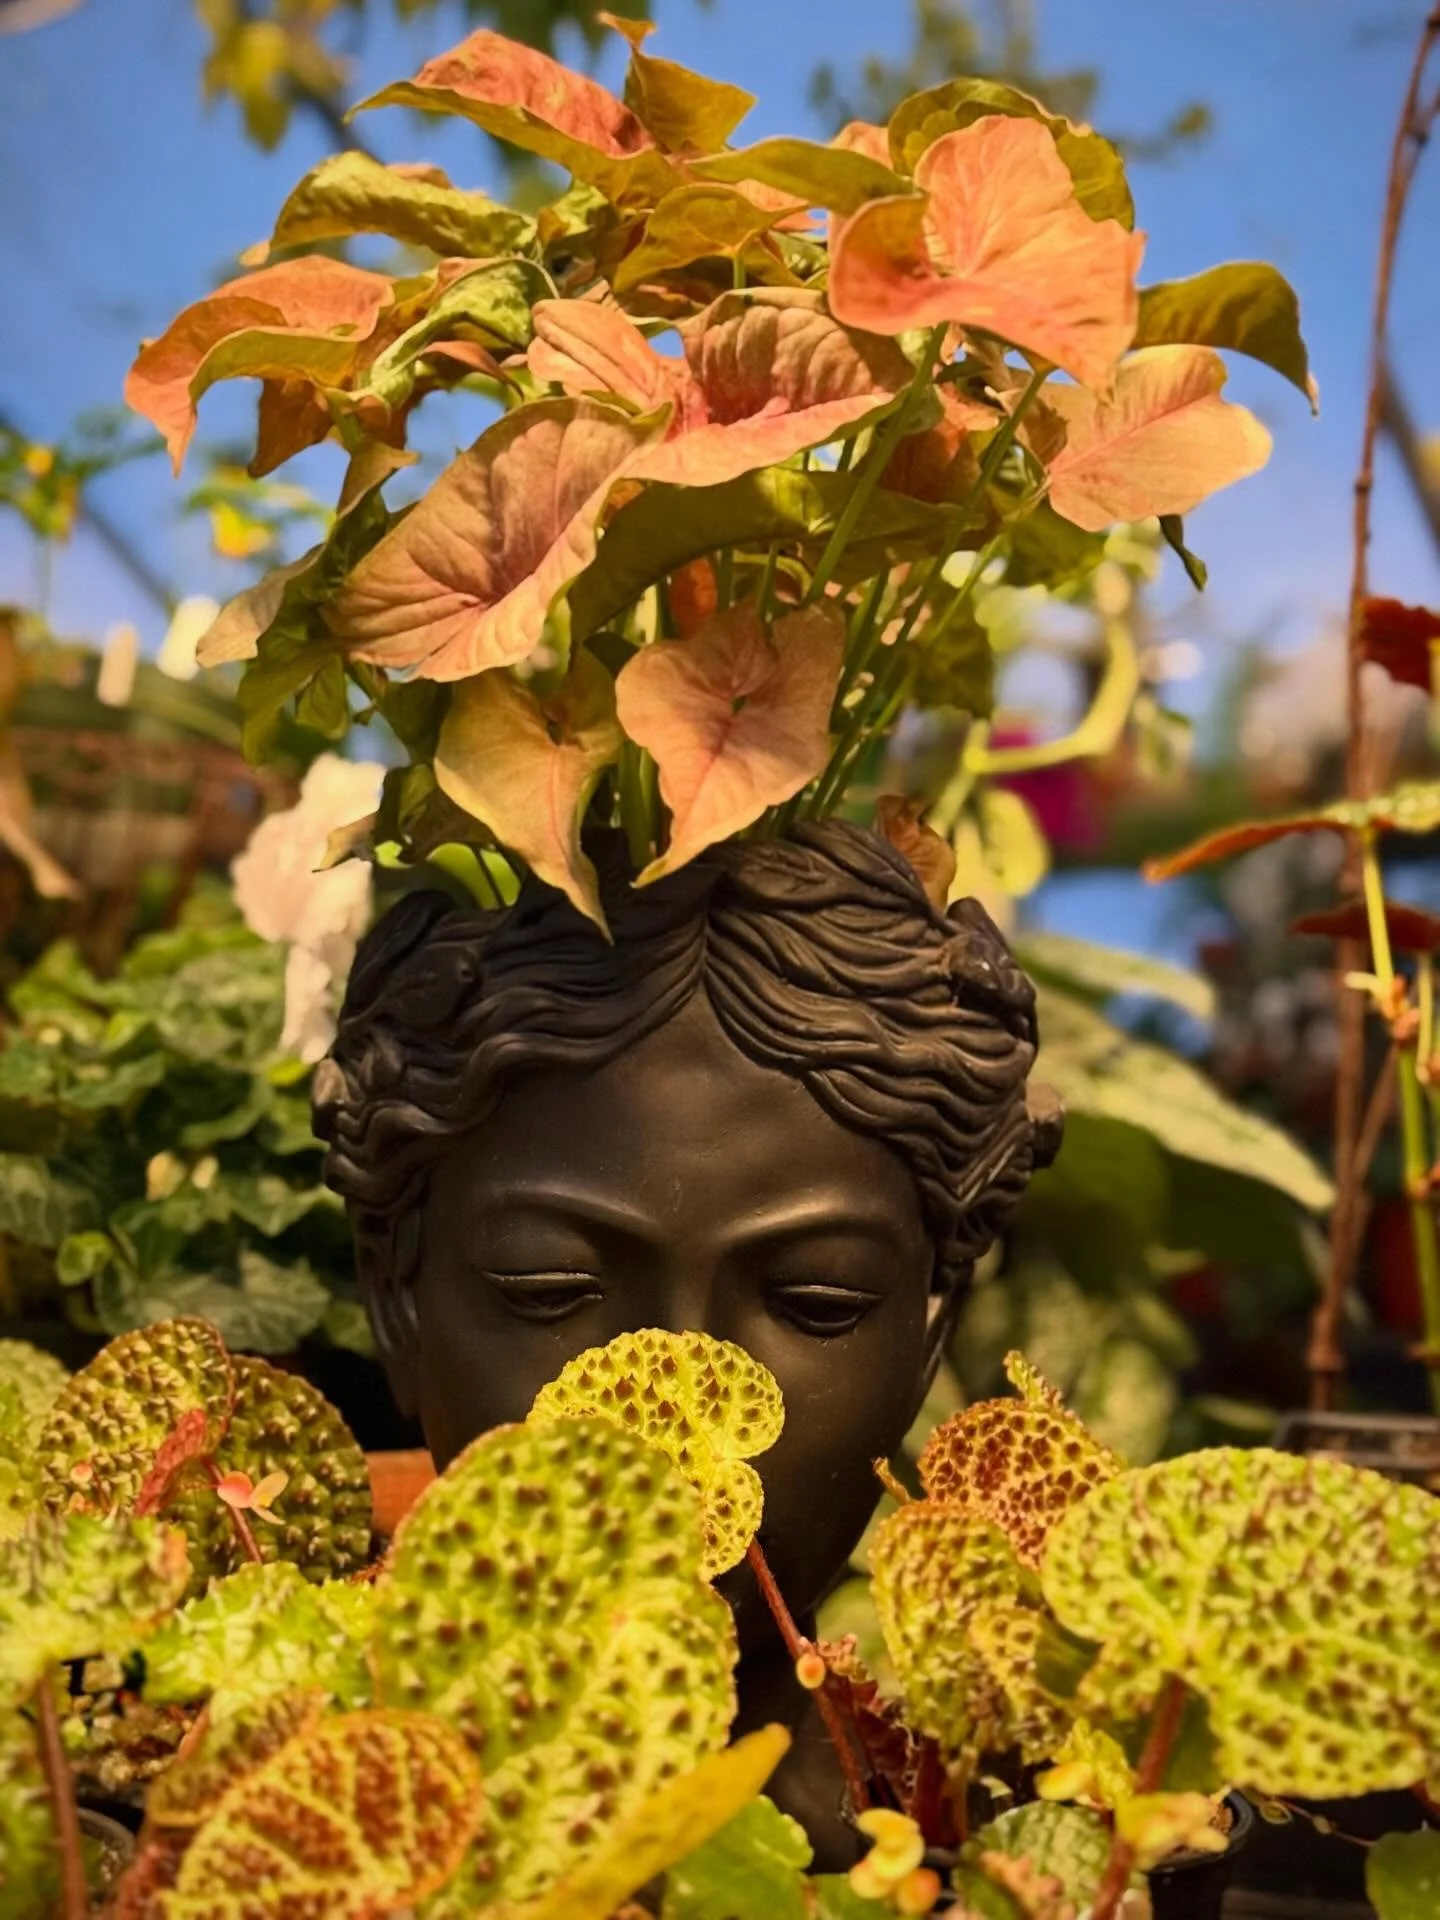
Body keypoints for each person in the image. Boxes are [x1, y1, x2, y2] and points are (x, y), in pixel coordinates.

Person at [314, 820, 1061, 1861]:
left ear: (932, 1328)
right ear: (393, 1292)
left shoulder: (981, 1845)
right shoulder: (307, 1825)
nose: (670, 1425)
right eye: (549, 1285)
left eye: (816, 1298)